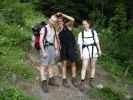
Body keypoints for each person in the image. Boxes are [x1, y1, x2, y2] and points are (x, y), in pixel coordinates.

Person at [56, 12, 78, 88]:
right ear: (57, 22)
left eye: (61, 20)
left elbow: (72, 19)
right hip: (63, 48)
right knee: (64, 64)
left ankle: (74, 78)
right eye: (58, 21)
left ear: (63, 21)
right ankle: (64, 79)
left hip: (71, 47)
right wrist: (58, 50)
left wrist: (62, 14)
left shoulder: (68, 26)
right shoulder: (57, 31)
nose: (60, 22)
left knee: (73, 63)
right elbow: (58, 42)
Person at [78, 20, 102, 90]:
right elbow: (80, 44)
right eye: (83, 24)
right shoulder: (81, 33)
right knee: (84, 66)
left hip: (94, 49)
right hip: (85, 50)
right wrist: (81, 53)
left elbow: (97, 41)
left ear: (89, 24)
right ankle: (82, 82)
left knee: (93, 66)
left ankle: (91, 81)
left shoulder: (93, 32)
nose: (84, 26)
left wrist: (99, 50)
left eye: (86, 24)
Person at [39, 15, 59, 93]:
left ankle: (51, 80)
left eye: (54, 21)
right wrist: (43, 51)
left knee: (51, 65)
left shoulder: (53, 28)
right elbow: (41, 41)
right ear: (49, 20)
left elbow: (55, 40)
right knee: (43, 66)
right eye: (52, 20)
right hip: (45, 48)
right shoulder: (44, 29)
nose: (52, 22)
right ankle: (43, 83)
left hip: (52, 48)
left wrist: (56, 49)